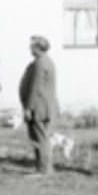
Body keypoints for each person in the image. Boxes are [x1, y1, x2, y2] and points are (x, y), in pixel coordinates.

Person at [19, 35, 61, 175]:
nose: (30, 48)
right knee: (40, 137)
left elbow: (35, 87)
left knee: (40, 138)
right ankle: (42, 167)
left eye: (32, 46)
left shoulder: (40, 63)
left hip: (39, 106)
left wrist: (29, 108)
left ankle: (44, 170)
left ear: (38, 48)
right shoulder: (46, 61)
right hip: (44, 105)